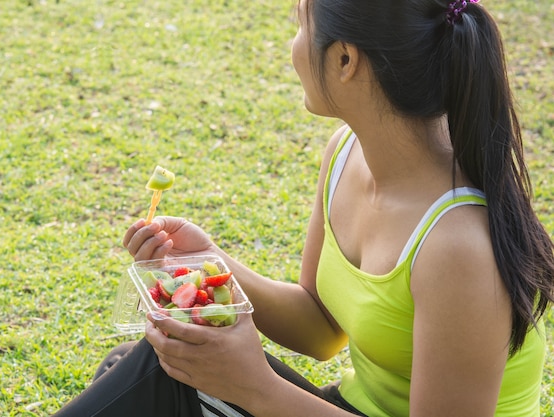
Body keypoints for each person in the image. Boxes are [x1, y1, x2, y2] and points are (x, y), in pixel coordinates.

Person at [53, 0, 554, 416]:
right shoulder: (346, 153)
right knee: (141, 370)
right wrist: (211, 264)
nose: (292, 48)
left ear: (343, 60)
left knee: (152, 382)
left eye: (299, 26)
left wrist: (255, 387)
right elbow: (320, 329)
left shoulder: (459, 246)